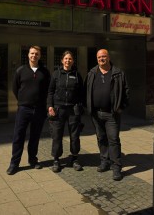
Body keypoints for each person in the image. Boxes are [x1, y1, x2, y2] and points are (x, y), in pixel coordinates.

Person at [85, 49, 129, 181]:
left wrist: (122, 106)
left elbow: (126, 91)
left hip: (112, 114)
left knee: (114, 139)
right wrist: (87, 107)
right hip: (96, 113)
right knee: (101, 138)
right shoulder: (92, 73)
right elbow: (85, 90)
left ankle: (116, 167)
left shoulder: (118, 73)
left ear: (108, 57)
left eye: (104, 56)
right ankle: (105, 161)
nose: (101, 59)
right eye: (99, 57)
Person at [6, 46, 50, 175]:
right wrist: (23, 101)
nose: (34, 56)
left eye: (36, 54)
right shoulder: (21, 71)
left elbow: (48, 90)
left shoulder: (45, 72)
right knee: (18, 136)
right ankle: (14, 163)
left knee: (35, 136)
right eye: (32, 53)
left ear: (40, 56)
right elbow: (15, 88)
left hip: (39, 109)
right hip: (24, 109)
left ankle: (33, 159)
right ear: (28, 55)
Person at [47, 50, 84, 173]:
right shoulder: (56, 74)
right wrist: (50, 106)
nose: (68, 61)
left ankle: (74, 158)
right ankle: (56, 159)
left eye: (70, 59)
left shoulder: (77, 75)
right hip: (58, 109)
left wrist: (80, 106)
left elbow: (81, 93)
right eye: (66, 59)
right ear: (62, 60)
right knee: (57, 135)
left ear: (73, 61)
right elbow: (50, 92)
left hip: (73, 110)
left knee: (75, 135)